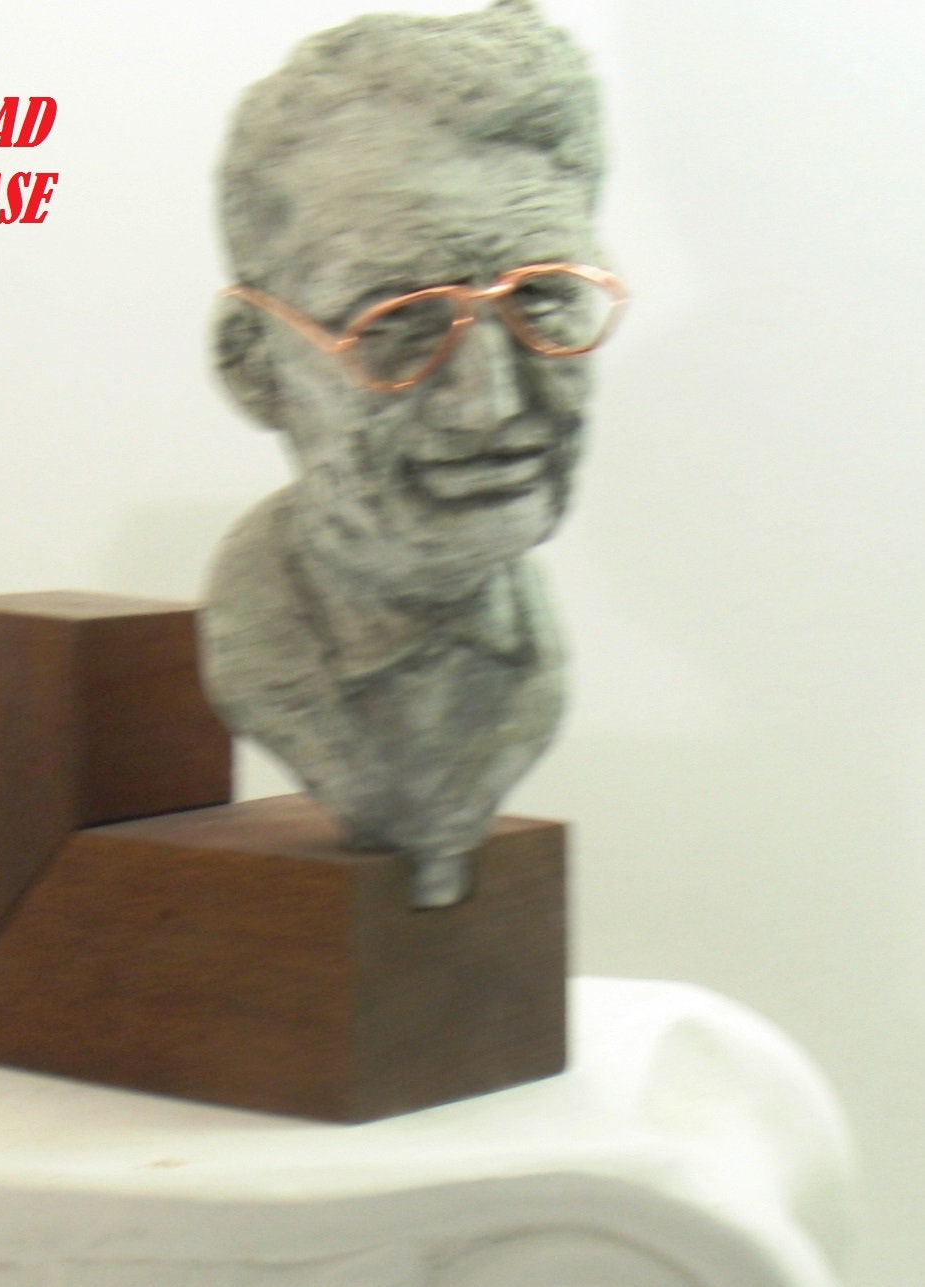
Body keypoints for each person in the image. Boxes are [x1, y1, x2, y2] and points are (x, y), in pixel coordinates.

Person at [200, 0, 626, 906]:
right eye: (398, 320)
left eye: (543, 298)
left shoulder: (534, 659)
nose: (489, 405)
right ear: (252, 365)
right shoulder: (259, 653)